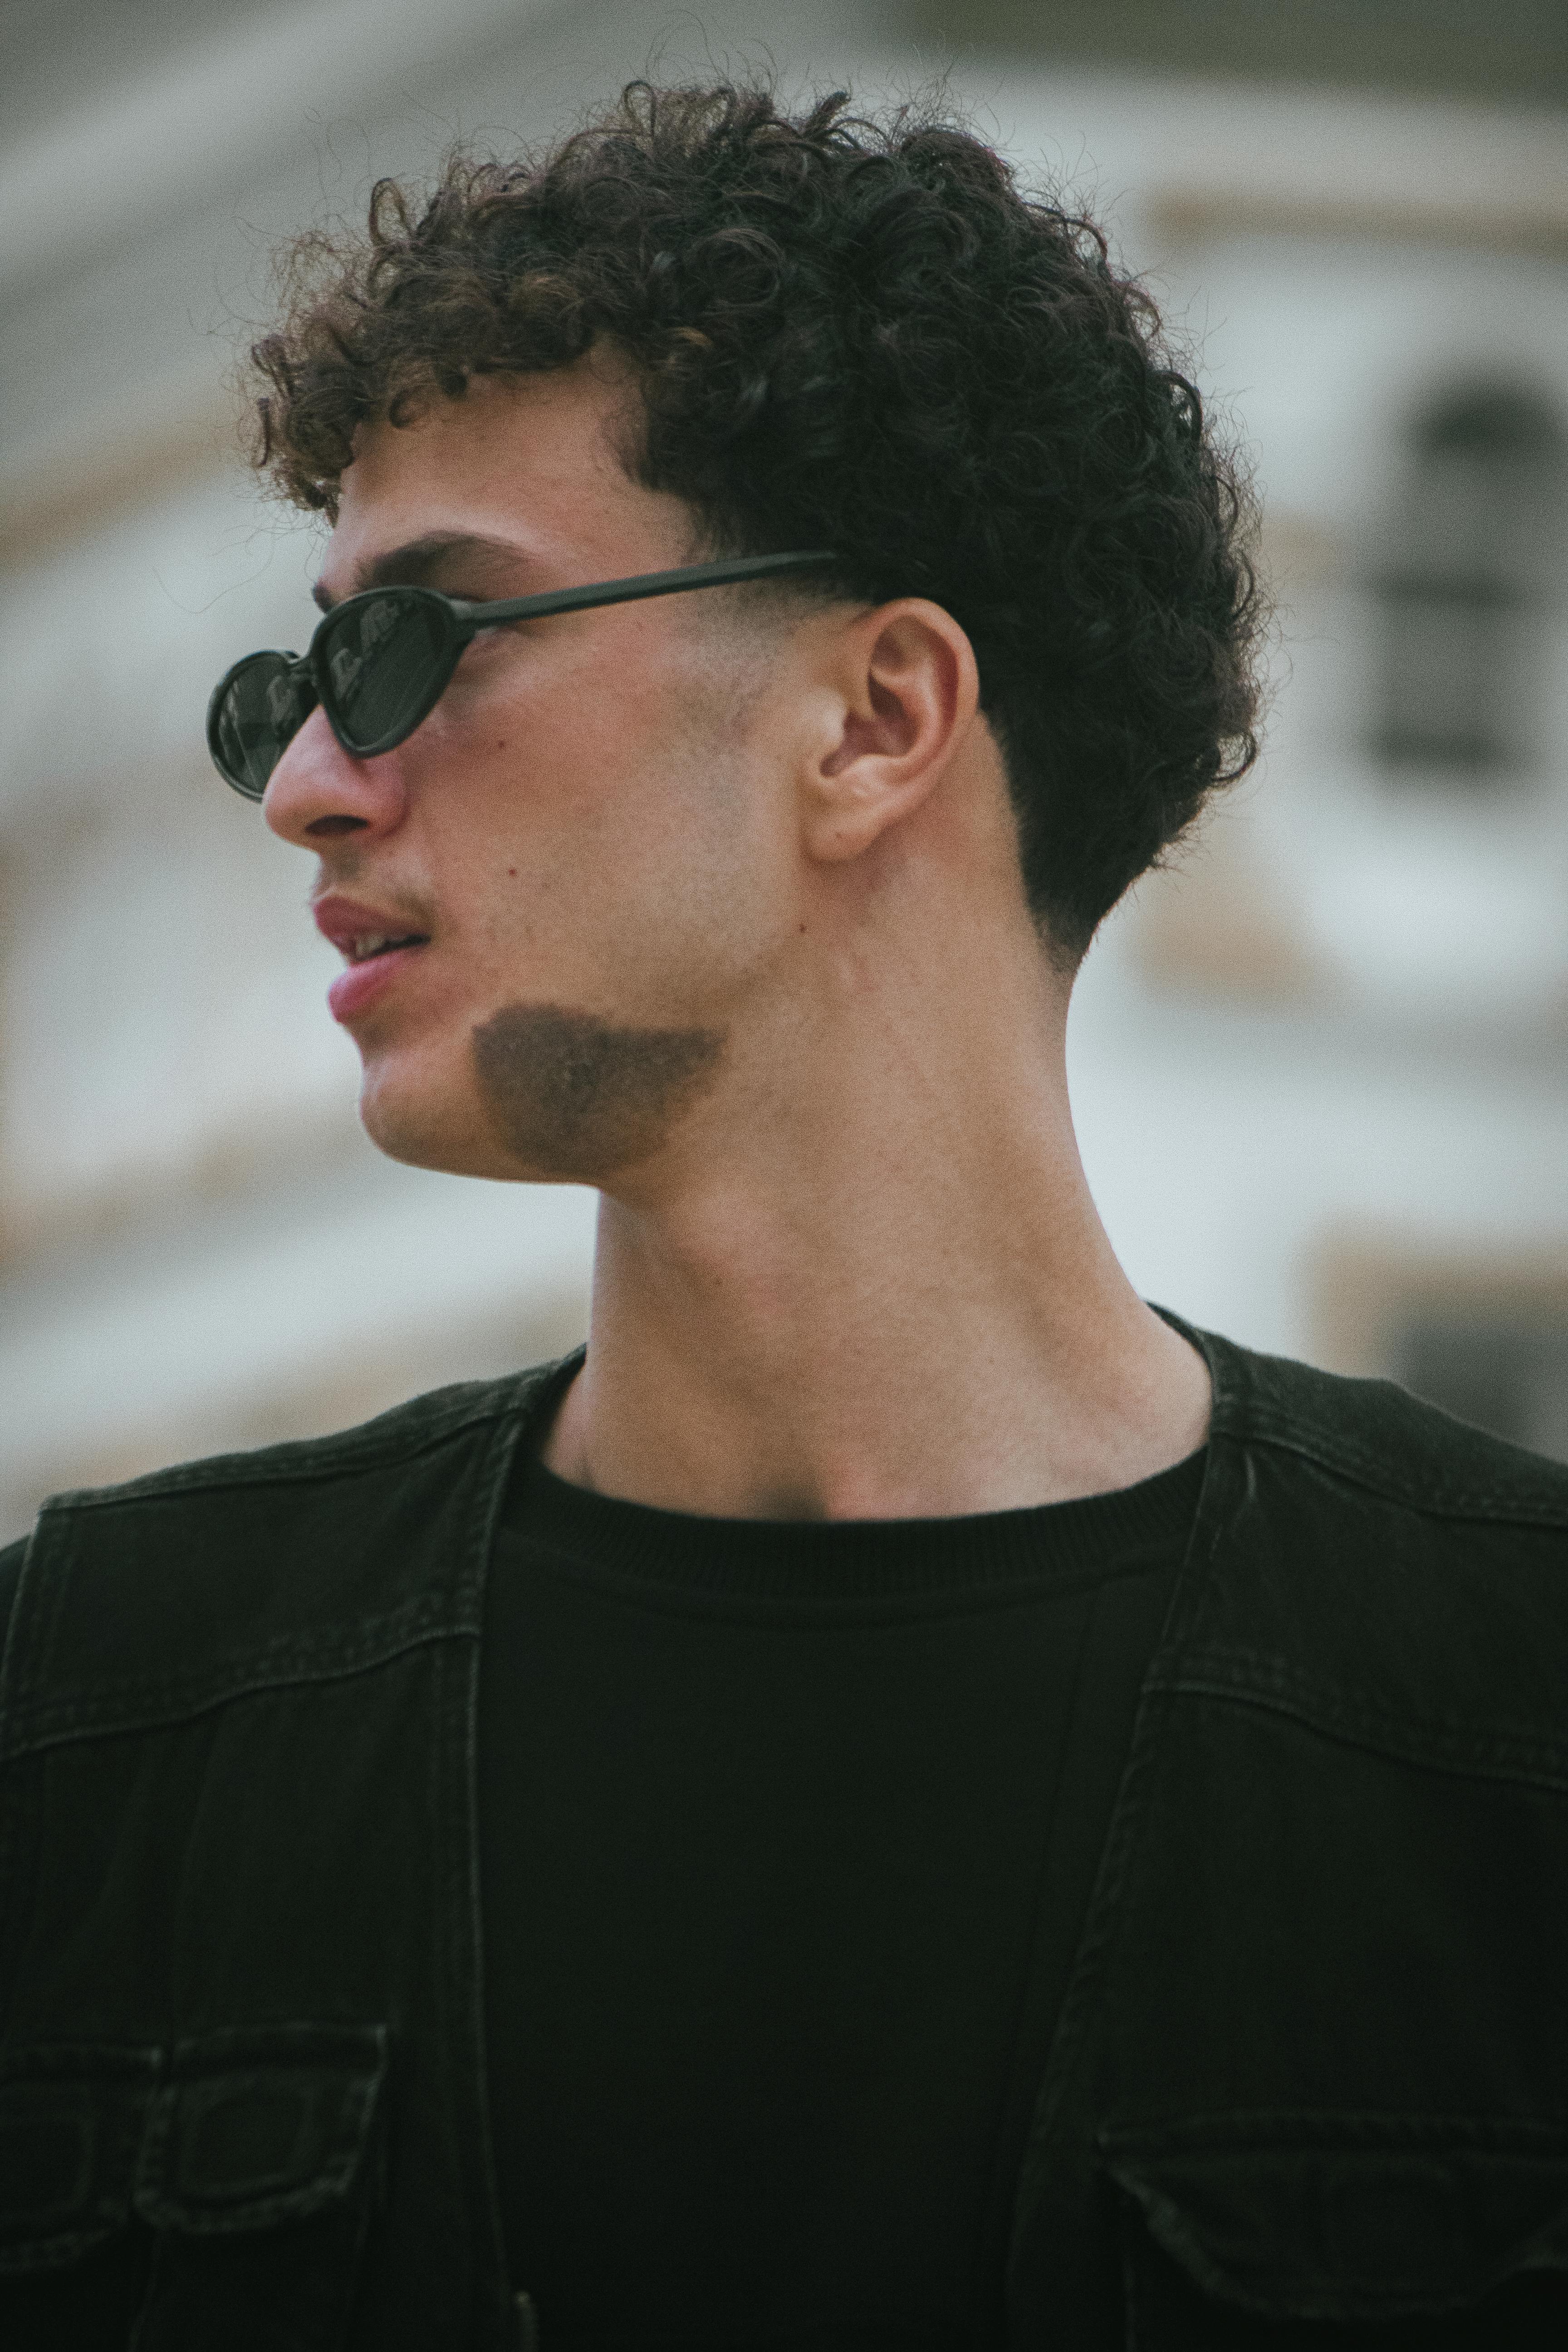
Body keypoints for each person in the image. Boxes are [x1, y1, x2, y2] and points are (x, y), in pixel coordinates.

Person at [1, 81, 1564, 2352]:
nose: (313, 785)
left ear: (876, 716)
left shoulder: (1512, 1731)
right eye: (300, 679)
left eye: (425, 644)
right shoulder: (92, 1731)